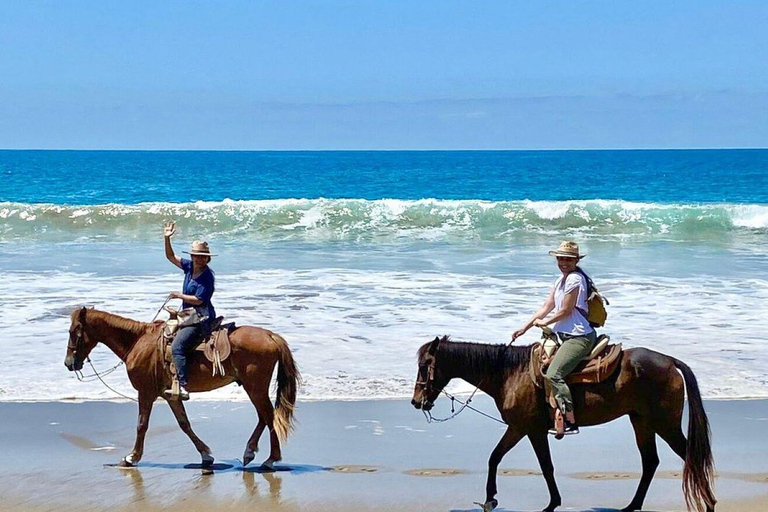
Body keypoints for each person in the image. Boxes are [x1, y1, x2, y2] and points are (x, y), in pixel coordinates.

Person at [511, 241, 597, 435]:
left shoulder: (575, 279)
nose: (563, 262)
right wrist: (524, 327)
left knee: (554, 374)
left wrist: (546, 322)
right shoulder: (560, 280)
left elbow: (566, 310)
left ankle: (570, 421)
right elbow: (546, 306)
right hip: (562, 335)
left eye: (568, 259)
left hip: (578, 336)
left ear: (576, 260)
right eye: (560, 258)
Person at [163, 221, 216, 400]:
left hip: (201, 317)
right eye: (196, 256)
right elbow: (170, 256)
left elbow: (199, 299)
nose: (199, 259)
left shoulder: (207, 276)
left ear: (208, 258)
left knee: (177, 347)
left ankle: (183, 385)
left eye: (202, 257)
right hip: (188, 315)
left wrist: (179, 296)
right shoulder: (189, 267)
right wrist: (167, 238)